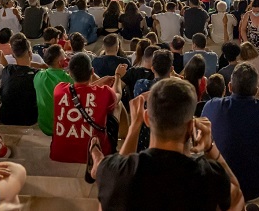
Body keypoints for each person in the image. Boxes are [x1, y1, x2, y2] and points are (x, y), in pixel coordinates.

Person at [93, 78, 243, 210]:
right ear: (191, 126)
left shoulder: (111, 172)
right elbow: (238, 202)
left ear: (147, 118)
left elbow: (120, 174)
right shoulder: (210, 176)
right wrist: (210, 146)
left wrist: (134, 128)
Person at [203, 62, 259, 201]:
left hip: (220, 187)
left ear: (230, 87)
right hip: (256, 188)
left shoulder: (212, 105)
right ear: (256, 91)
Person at [51, 52, 125, 163]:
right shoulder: (104, 92)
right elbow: (118, 93)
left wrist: (100, 81)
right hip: (97, 152)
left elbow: (81, 90)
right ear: (92, 71)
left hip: (58, 153)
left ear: (70, 74)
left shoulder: (59, 89)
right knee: (117, 105)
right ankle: (124, 138)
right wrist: (118, 76)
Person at [0, 33, 38, 126]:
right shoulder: (37, 74)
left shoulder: (7, 70)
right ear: (29, 53)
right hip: (29, 120)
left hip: (6, 118)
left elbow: (4, 64)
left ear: (13, 55)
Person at [34, 45, 73, 135]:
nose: (66, 57)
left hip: (44, 125)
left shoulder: (38, 76)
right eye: (64, 55)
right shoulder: (68, 79)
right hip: (61, 128)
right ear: (60, 62)